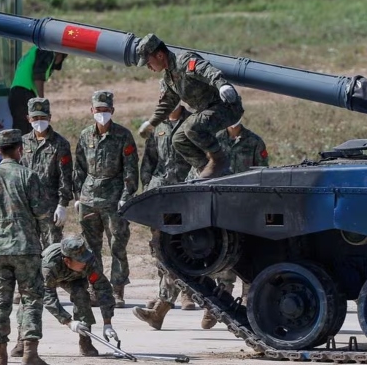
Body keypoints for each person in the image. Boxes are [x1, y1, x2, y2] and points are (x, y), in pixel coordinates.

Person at [0, 129, 50, 365]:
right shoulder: (29, 176)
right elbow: (43, 213)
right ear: (19, 149)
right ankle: (30, 354)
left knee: (0, 303)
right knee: (31, 300)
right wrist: (48, 243)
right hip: (26, 249)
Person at [136, 33, 244, 179]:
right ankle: (206, 168)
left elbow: (207, 70)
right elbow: (168, 103)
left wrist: (222, 85)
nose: (148, 67)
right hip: (208, 111)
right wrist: (151, 123)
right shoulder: (169, 76)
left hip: (226, 107)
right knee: (178, 139)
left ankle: (218, 160)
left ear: (160, 55)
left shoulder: (185, 61)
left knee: (192, 127)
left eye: (148, 62)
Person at [133, 104, 198, 331]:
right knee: (160, 248)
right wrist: (148, 187)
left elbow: (199, 162)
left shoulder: (193, 122)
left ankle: (165, 304)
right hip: (160, 194)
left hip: (181, 195)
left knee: (176, 250)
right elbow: (149, 160)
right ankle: (163, 298)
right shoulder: (158, 126)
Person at [201, 119, 270, 329]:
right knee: (224, 258)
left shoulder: (255, 142)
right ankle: (215, 308)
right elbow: (206, 170)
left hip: (247, 208)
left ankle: (250, 311)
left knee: (248, 259)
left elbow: (263, 174)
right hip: (222, 206)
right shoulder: (216, 141)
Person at [73, 90, 139, 308]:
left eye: (105, 110)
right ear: (92, 111)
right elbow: (79, 168)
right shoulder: (85, 136)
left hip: (113, 198)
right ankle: (96, 289)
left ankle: (118, 289)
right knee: (90, 247)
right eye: (98, 110)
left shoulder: (123, 135)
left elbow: (130, 169)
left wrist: (126, 196)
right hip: (89, 198)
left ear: (112, 111)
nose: (101, 114)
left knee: (117, 244)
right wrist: (77, 197)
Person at [11, 236, 117, 358]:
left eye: (85, 258)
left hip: (74, 278)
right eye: (80, 260)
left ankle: (85, 341)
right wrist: (68, 321)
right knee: (29, 301)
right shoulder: (48, 266)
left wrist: (107, 323)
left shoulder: (89, 261)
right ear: (67, 260)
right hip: (50, 276)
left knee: (82, 295)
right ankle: (22, 341)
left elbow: (103, 289)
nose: (85, 262)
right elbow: (49, 298)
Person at [12, 97, 74, 305]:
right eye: (35, 117)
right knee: (26, 251)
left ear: (50, 117)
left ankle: (49, 290)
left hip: (49, 207)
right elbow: (17, 172)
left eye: (43, 117)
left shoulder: (60, 144)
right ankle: (26, 289)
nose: (39, 121)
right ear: (28, 118)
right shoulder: (22, 142)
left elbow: (66, 177)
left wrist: (62, 204)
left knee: (51, 251)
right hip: (26, 206)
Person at [9, 46, 66, 134]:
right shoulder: (47, 50)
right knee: (25, 130)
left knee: (21, 127)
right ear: (59, 54)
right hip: (24, 93)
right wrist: (41, 100)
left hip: (16, 93)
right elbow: (38, 76)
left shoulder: (36, 49)